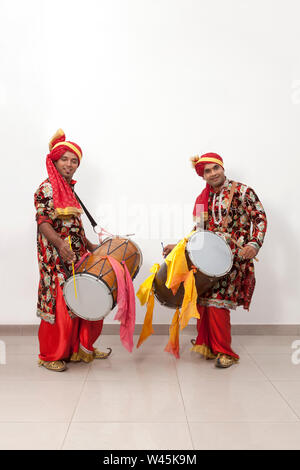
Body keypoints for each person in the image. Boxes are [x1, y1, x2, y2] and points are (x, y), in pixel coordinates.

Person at [163, 152, 267, 368]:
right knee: (203, 302)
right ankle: (206, 344)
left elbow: (260, 217)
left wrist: (253, 245)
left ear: (222, 168)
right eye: (207, 171)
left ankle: (224, 351)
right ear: (203, 176)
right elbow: (199, 230)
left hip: (234, 258)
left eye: (215, 168)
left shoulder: (243, 191)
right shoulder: (202, 198)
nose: (212, 174)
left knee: (218, 303)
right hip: (207, 258)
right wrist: (179, 245)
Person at [34, 129, 111, 372]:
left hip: (76, 256)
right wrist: (60, 245)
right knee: (60, 307)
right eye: (64, 159)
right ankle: (51, 355)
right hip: (56, 259)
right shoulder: (46, 189)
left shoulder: (69, 190)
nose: (69, 164)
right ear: (54, 161)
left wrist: (89, 246)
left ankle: (81, 348)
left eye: (74, 160)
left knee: (83, 301)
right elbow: (43, 222)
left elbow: (74, 225)